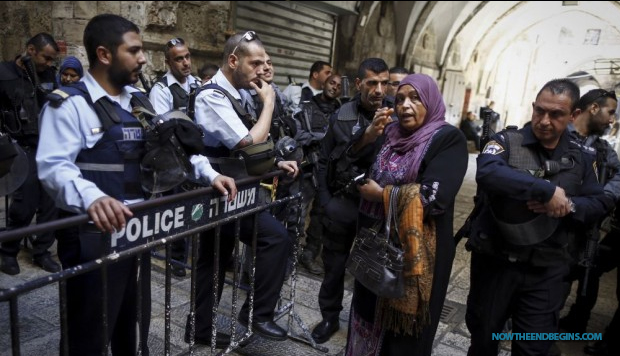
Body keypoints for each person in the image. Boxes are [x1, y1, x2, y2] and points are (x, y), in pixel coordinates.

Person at [36, 14, 236, 355]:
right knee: (88, 332)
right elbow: (53, 167)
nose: (143, 58)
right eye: (135, 50)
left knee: (129, 325)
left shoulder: (138, 102)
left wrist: (209, 173)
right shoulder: (69, 105)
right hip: (90, 238)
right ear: (104, 54)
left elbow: (173, 150)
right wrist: (94, 198)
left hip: (133, 233)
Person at [465, 79, 614, 356]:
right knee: (484, 340)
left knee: (532, 349)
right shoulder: (507, 141)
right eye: (539, 111)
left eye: (556, 114)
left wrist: (567, 204)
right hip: (497, 264)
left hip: (547, 271)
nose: (545, 120)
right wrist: (545, 191)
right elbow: (488, 172)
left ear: (573, 116)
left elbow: (600, 201)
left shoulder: (582, 157)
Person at [343, 73, 468, 355]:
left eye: (415, 98)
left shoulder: (448, 139)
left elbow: (434, 198)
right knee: (366, 311)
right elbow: (347, 162)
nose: (404, 106)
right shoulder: (388, 132)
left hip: (416, 250)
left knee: (401, 333)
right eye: (399, 99)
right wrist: (368, 135)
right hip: (375, 243)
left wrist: (380, 195)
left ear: (431, 100)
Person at [188, 30, 298, 346]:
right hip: (217, 192)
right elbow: (248, 143)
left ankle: (200, 328)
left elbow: (251, 151)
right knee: (275, 238)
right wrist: (270, 102)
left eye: (265, 62)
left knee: (215, 260)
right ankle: (258, 314)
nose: (261, 69)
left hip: (233, 191)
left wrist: (275, 164)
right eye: (255, 62)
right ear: (234, 60)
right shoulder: (211, 96)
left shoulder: (239, 94)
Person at [310, 57, 389, 344]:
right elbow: (323, 160)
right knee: (334, 265)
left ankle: (365, 321)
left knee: (371, 269)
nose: (379, 90)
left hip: (378, 206)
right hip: (343, 202)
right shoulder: (342, 115)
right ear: (359, 84)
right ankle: (330, 316)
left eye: (384, 83)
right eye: (372, 83)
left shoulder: (398, 113)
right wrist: (325, 201)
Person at [560, 89, 620, 356]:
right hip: (542, 226)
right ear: (593, 108)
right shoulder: (558, 134)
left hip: (580, 231)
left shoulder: (603, 150)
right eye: (610, 112)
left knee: (577, 276)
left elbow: (617, 179)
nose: (612, 120)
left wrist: (600, 201)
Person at [0, 32, 60, 275]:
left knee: (51, 202)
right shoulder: (4, 74)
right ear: (31, 50)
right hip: (20, 147)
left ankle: (41, 251)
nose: (48, 63)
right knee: (24, 205)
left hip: (46, 146)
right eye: (45, 58)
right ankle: (8, 251)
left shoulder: (47, 76)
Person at [149, 36, 202, 277]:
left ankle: (189, 255)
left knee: (195, 210)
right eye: (178, 59)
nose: (185, 63)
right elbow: (164, 130)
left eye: (187, 56)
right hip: (175, 159)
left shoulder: (197, 84)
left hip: (197, 156)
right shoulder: (162, 90)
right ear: (168, 62)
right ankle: (176, 260)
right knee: (177, 211)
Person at [294, 73, 342, 274]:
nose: (335, 88)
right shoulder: (307, 106)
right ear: (323, 83)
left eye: (339, 85)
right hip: (307, 169)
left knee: (321, 215)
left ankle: (310, 254)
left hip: (328, 171)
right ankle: (291, 252)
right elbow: (297, 133)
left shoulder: (342, 111)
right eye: (332, 83)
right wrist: (320, 137)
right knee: (298, 211)